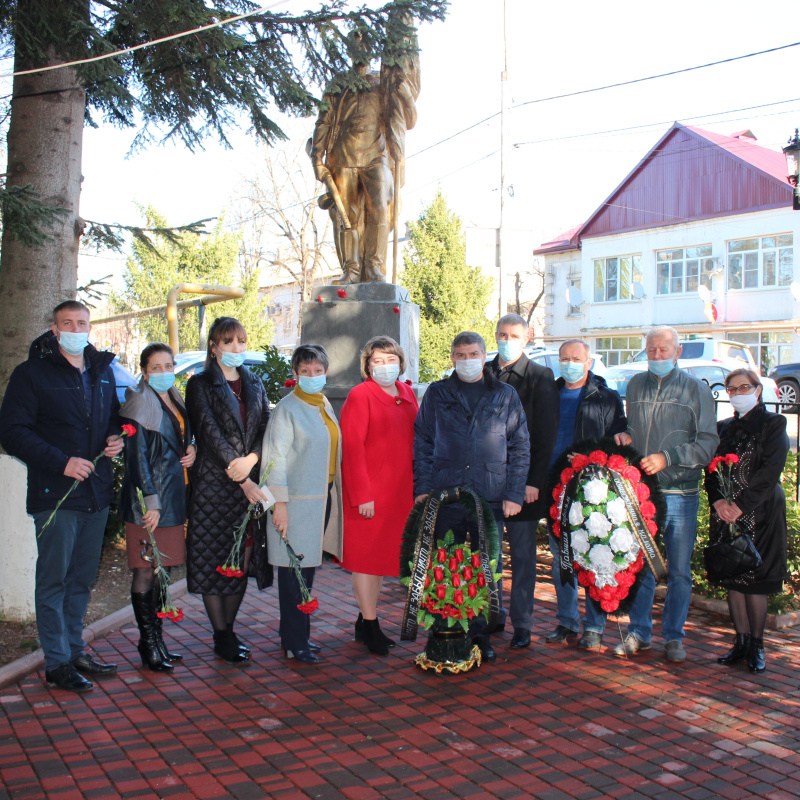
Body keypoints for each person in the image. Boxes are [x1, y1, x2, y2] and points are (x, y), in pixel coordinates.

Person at [0, 301, 122, 693]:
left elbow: (113, 418)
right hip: (56, 496)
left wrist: (115, 437)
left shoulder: (101, 373)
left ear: (90, 327)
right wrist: (61, 462)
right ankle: (56, 662)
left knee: (82, 580)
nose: (75, 328)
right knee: (54, 580)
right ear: (54, 330)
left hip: (96, 494)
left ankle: (72, 650)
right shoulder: (31, 374)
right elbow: (12, 432)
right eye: (66, 323)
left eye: (81, 323)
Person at [414, 331, 530, 663]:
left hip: (490, 495)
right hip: (447, 494)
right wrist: (422, 488)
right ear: (452, 358)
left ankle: (481, 634)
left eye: (474, 354)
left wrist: (514, 493)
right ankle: (445, 629)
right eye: (461, 355)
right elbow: (422, 441)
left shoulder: (505, 395)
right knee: (446, 563)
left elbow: (520, 447)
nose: (467, 360)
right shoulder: (438, 393)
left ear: (484, 355)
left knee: (487, 567)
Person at [614, 326, 719, 662]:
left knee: (678, 571)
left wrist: (668, 458)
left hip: (681, 494)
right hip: (643, 495)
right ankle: (639, 632)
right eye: (651, 350)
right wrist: (626, 437)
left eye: (663, 350)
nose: (657, 356)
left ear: (678, 352)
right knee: (642, 564)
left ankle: (674, 637)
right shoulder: (634, 385)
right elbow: (636, 427)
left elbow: (708, 444)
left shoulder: (696, 390)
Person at [185, 317, 270, 664]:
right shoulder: (200, 384)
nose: (236, 348)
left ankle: (229, 630)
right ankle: (221, 634)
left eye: (241, 341)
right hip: (213, 486)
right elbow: (208, 433)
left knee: (241, 557)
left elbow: (266, 426)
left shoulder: (255, 382)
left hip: (247, 481)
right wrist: (243, 477)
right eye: (228, 341)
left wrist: (252, 459)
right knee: (212, 559)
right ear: (214, 346)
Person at [310, 29, 418, 284]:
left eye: (365, 46)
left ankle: (373, 266)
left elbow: (410, 120)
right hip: (342, 157)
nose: (360, 51)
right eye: (355, 46)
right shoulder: (337, 86)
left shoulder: (385, 82)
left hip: (376, 157)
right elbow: (323, 123)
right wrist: (317, 159)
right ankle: (352, 269)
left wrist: (404, 92)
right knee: (347, 217)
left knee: (381, 206)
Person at [261, 344, 344, 664]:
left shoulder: (322, 403)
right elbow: (274, 461)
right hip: (294, 502)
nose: (312, 376)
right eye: (305, 371)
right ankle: (295, 642)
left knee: (305, 572)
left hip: (319, 498)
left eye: (318, 371)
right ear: (294, 374)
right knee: (294, 573)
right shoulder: (287, 409)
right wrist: (279, 504)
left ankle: (298, 635)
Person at [543, 339, 627, 650]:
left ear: (588, 362)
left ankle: (594, 626)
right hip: (554, 489)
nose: (569, 363)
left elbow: (619, 432)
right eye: (564, 358)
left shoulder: (605, 397)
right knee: (561, 559)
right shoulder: (547, 395)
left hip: (589, 489)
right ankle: (566, 621)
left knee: (595, 555)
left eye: (576, 358)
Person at [119, 343, 196, 672]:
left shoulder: (174, 397)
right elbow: (136, 460)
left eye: (169, 366)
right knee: (145, 572)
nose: (164, 372)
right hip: (149, 504)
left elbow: (181, 436)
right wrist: (150, 500)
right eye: (157, 367)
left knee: (161, 573)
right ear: (145, 371)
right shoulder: (138, 403)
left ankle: (157, 640)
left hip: (172, 497)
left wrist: (191, 448)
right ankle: (148, 643)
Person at [706, 369, 789, 674]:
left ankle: (757, 645)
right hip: (725, 512)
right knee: (733, 577)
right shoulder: (724, 428)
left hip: (761, 512)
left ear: (757, 389)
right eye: (732, 388)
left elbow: (770, 472)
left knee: (756, 580)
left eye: (744, 387)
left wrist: (740, 506)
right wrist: (718, 502)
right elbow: (711, 471)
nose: (738, 392)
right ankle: (740, 642)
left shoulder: (773, 423)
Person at [340, 336, 418, 655]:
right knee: (366, 561)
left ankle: (364, 618)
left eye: (390, 359)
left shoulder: (407, 393)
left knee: (382, 559)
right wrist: (363, 495)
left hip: (400, 494)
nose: (385, 366)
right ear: (367, 366)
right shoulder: (360, 396)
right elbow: (353, 448)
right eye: (377, 361)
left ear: (400, 362)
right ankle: (371, 625)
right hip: (369, 494)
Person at [488, 314, 558, 649]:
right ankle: (491, 613)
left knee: (523, 557)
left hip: (522, 484)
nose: (506, 340)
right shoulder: (484, 371)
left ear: (526, 338)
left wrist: (533, 481)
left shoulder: (540, 377)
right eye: (502, 334)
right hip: (486, 482)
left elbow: (545, 436)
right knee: (488, 553)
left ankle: (523, 623)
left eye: (513, 335)